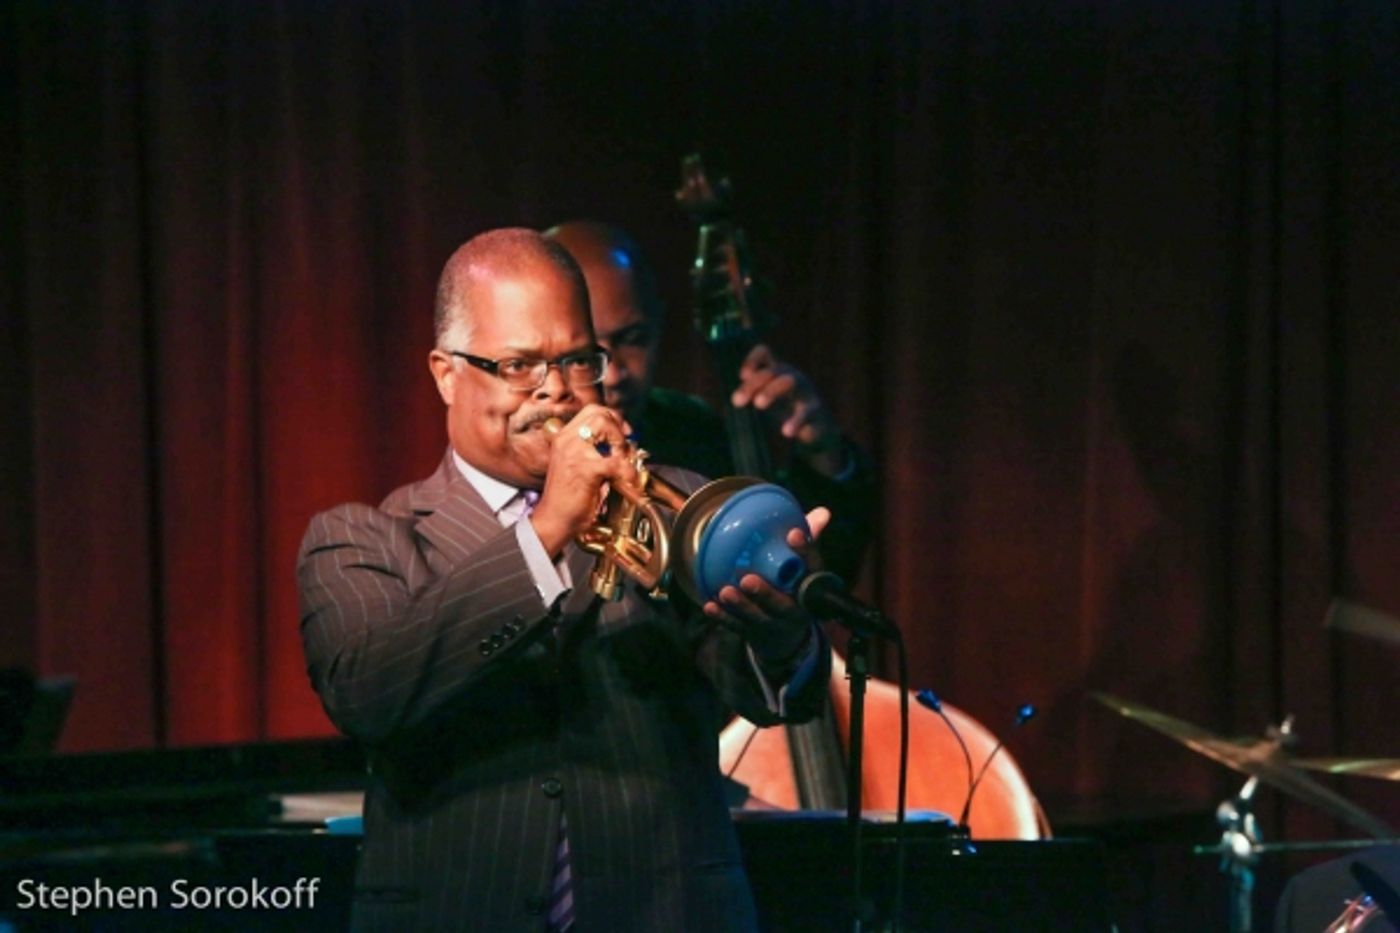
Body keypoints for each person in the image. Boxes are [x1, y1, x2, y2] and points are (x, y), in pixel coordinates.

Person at [297, 228, 833, 932]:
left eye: (577, 360)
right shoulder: (360, 538)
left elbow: (759, 691)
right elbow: (369, 690)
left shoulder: (673, 505)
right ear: (446, 373)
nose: (554, 392)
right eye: (519, 365)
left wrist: (783, 638)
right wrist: (546, 528)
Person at [542, 221, 875, 584]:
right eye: (586, 354)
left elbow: (824, 569)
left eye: (633, 339)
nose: (615, 373)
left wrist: (822, 448)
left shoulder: (693, 430)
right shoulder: (521, 459)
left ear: (659, 323)